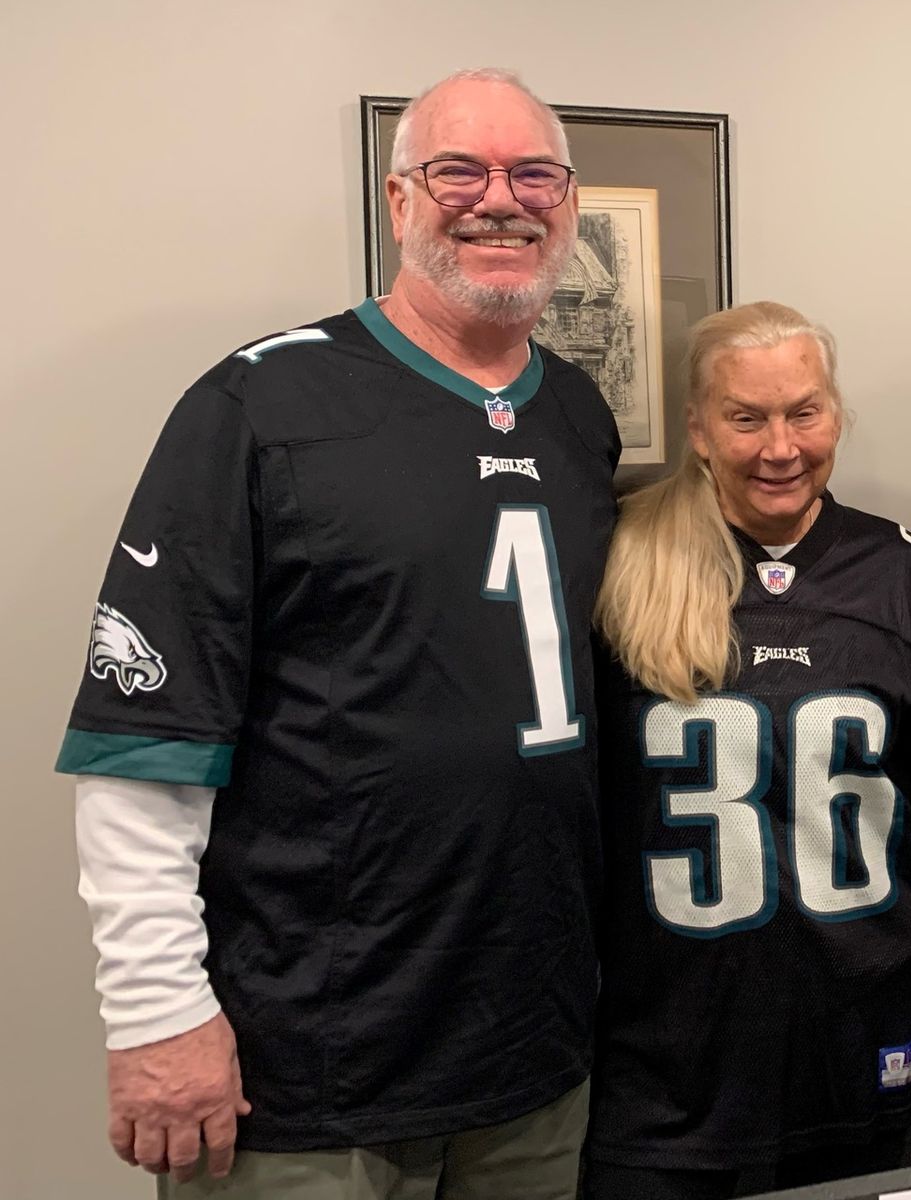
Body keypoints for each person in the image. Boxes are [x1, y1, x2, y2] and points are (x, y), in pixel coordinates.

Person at [54, 68, 619, 1195]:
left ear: (567, 202)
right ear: (400, 201)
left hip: (531, 1049)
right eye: (459, 169)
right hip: (311, 1068)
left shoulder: (577, 413)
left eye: (533, 174)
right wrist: (158, 1013)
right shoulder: (262, 407)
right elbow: (144, 740)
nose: (500, 198)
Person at [585, 302, 911, 1199]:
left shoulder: (897, 574)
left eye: (805, 413)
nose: (780, 448)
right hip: (667, 1059)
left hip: (856, 1031)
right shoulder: (622, 559)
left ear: (837, 414)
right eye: (746, 418)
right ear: (699, 429)